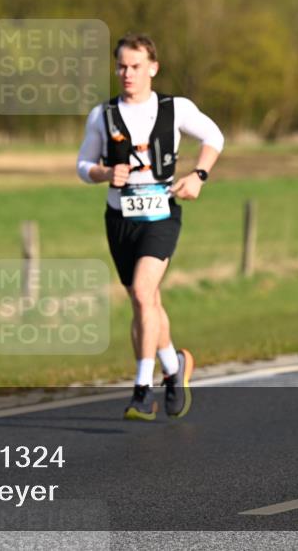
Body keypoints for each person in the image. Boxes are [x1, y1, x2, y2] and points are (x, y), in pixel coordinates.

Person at [77, 33, 223, 421]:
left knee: (143, 294)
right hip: (120, 219)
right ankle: (175, 366)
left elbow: (215, 137)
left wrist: (198, 176)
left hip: (161, 215)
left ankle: (143, 389)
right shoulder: (102, 115)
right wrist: (105, 172)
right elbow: (82, 166)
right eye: (122, 66)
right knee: (147, 303)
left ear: (153, 69)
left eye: (136, 66)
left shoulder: (176, 109)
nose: (127, 73)